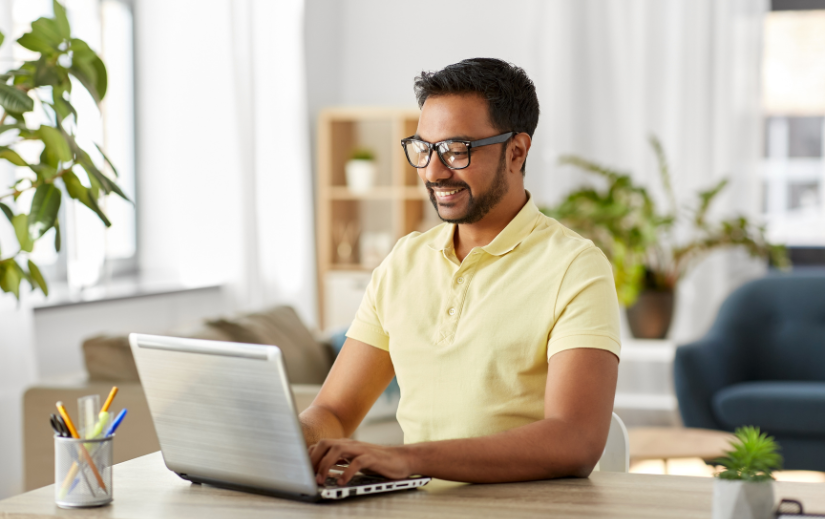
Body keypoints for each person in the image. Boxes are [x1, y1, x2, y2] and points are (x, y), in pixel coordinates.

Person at [300, 58, 621, 485]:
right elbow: (335, 411)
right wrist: (281, 440)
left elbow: (575, 440)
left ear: (517, 151)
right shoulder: (403, 262)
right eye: (424, 148)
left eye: (456, 150)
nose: (433, 171)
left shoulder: (576, 268)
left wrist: (409, 459)